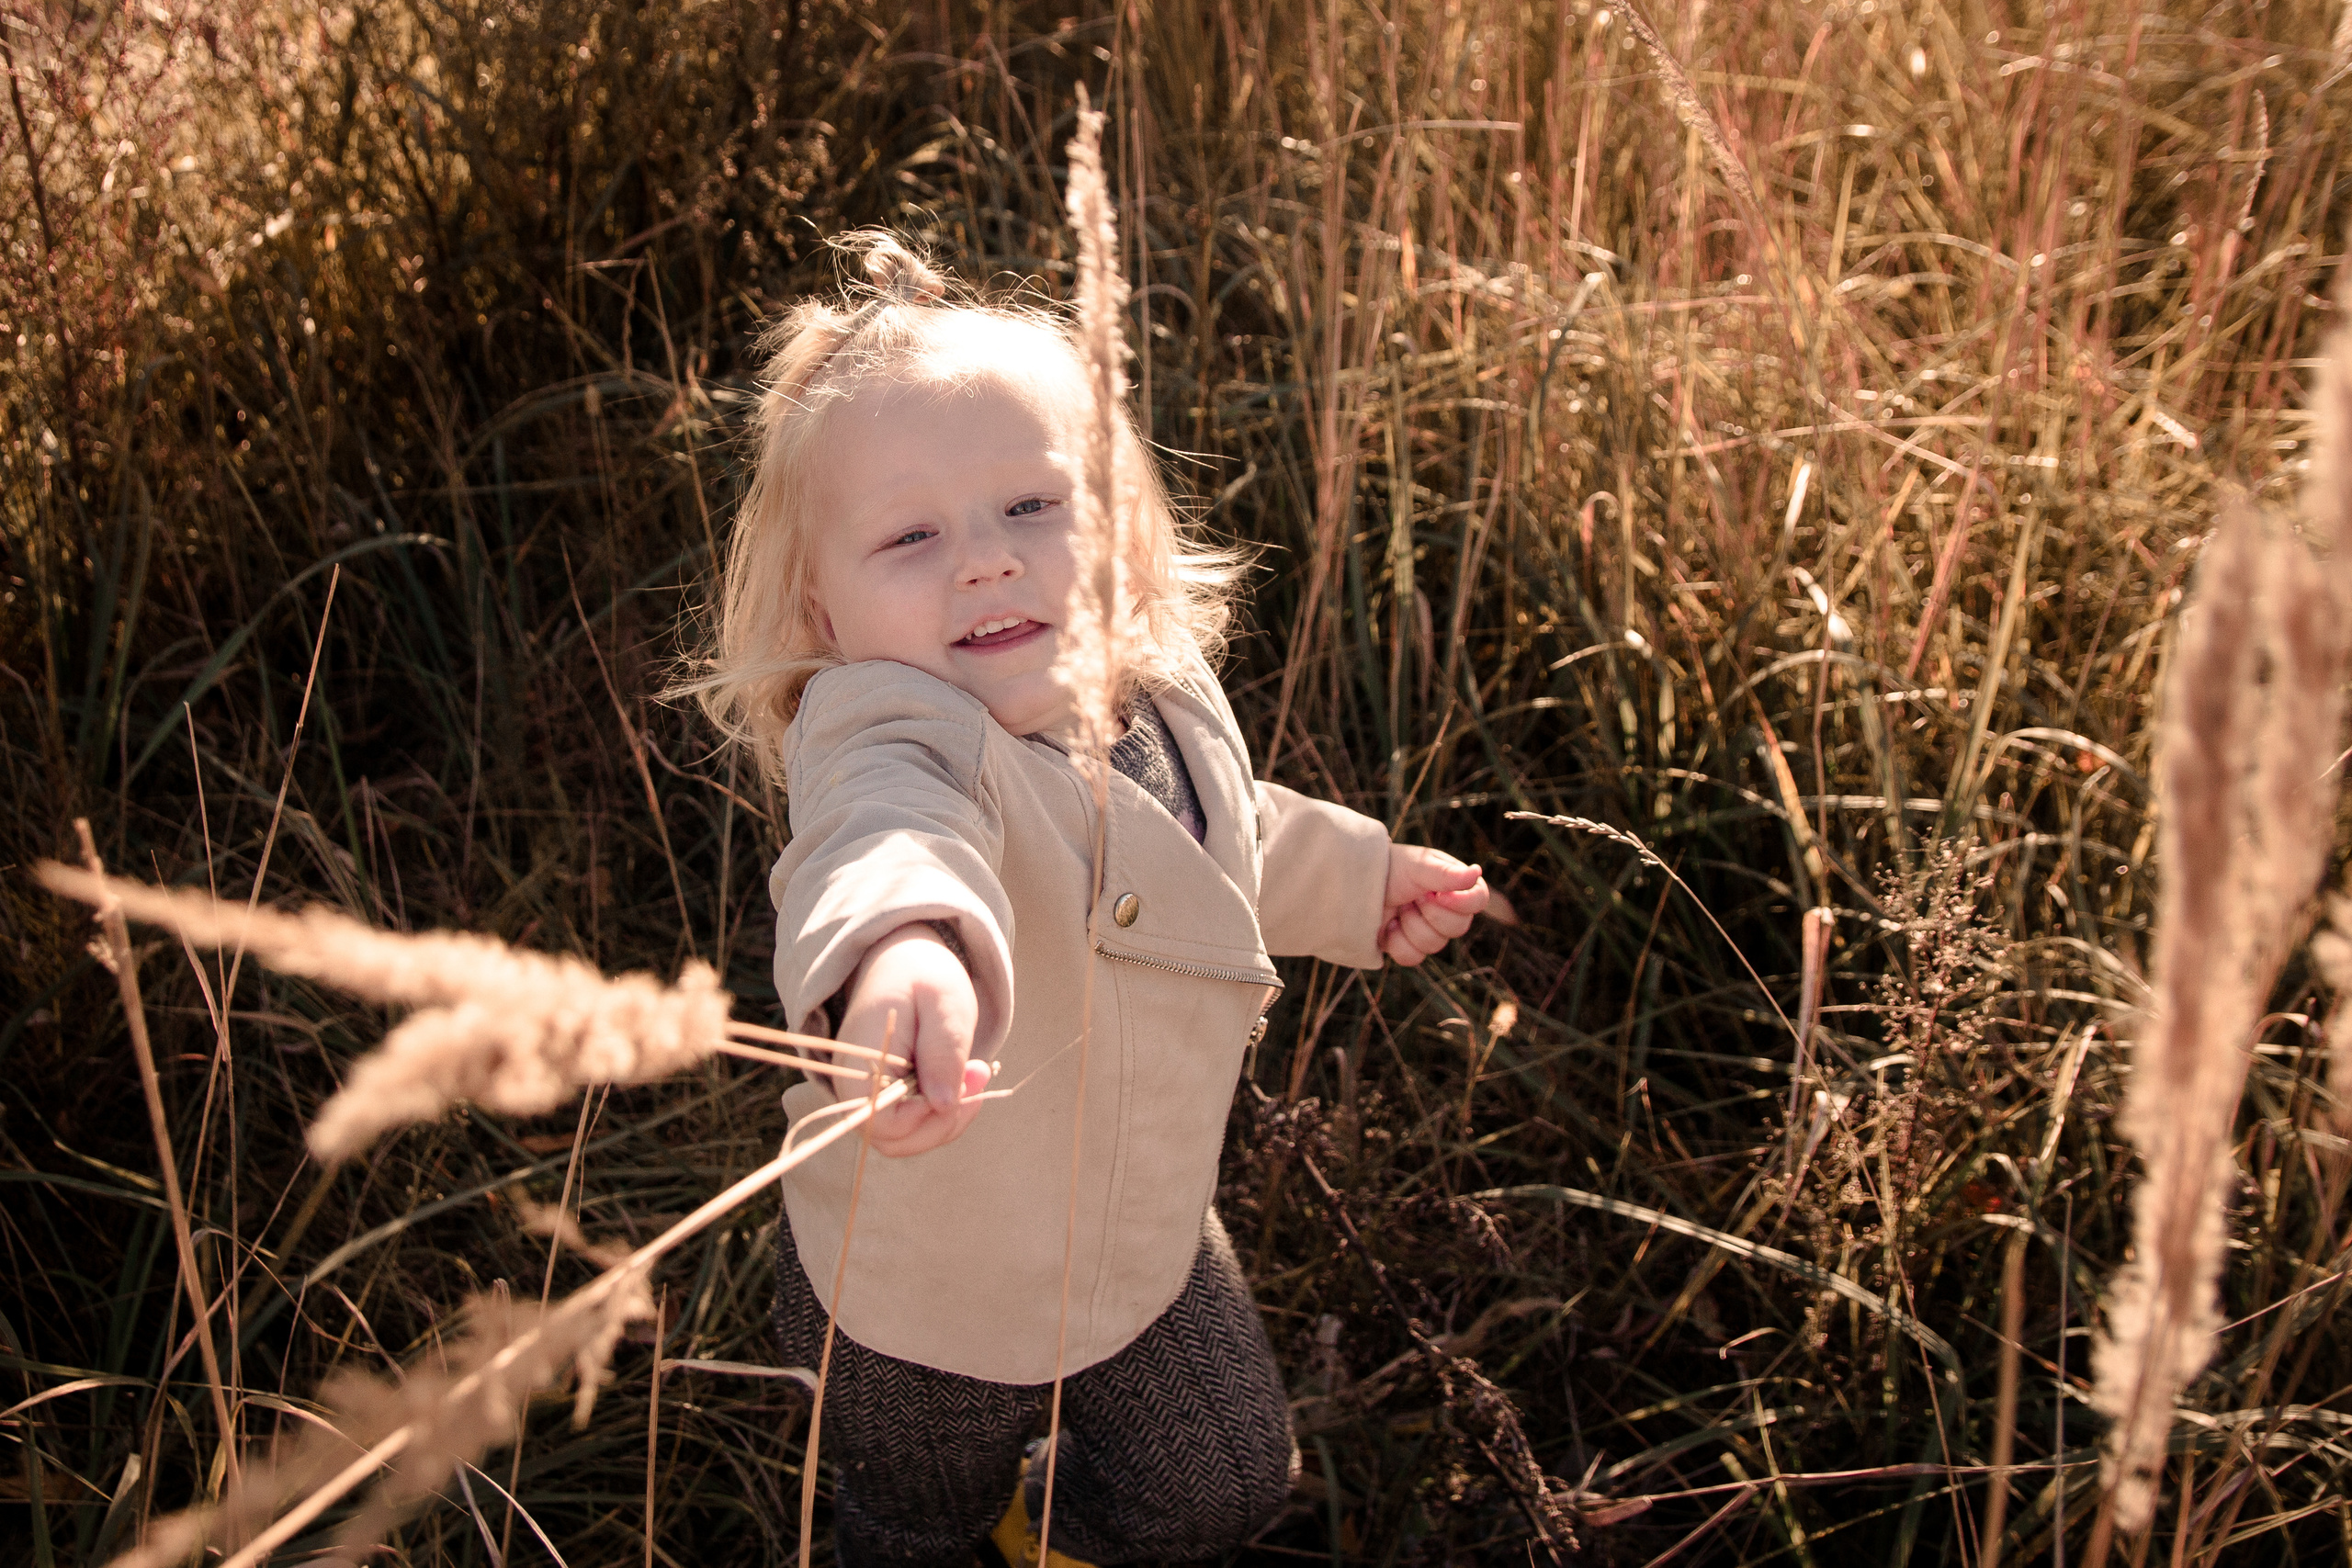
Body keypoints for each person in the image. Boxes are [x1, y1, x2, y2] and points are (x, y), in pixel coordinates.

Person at [679, 231, 1493, 1567]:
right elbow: (886, 844)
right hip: (921, 1292)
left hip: (1138, 1231)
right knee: (912, 1522)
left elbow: (1221, 840)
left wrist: (1364, 883)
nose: (986, 562)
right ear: (821, 611)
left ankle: (1056, 1537)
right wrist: (905, 958)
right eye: (911, 537)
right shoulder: (887, 731)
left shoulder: (1152, 694)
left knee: (1224, 1481)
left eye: (1031, 508)